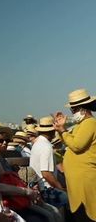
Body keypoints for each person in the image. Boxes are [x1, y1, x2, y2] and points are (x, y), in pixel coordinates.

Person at [54, 88, 96, 221]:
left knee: (87, 214)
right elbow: (68, 141)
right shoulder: (81, 125)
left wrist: (63, 131)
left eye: (74, 109)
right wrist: (61, 129)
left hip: (84, 178)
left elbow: (77, 145)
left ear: (83, 109)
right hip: (78, 179)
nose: (72, 113)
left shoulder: (90, 123)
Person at [30, 116, 68, 209]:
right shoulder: (46, 146)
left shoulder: (37, 143)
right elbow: (46, 173)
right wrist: (60, 188)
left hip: (39, 188)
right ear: (52, 131)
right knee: (73, 201)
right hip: (47, 190)